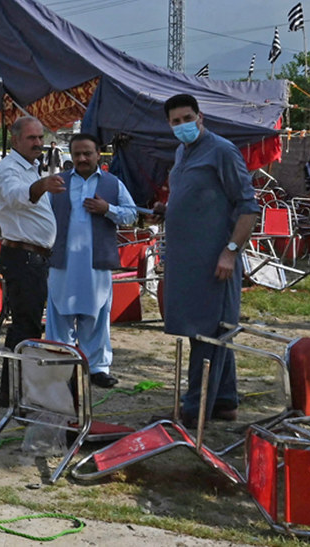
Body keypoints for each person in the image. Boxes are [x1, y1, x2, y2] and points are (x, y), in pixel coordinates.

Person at [160, 93, 259, 422]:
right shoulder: (182, 152)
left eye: (188, 119)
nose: (183, 125)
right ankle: (225, 402)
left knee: (208, 333)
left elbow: (248, 207)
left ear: (200, 117)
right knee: (208, 332)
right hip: (187, 264)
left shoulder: (222, 151)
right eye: (176, 121)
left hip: (215, 263)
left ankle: (194, 410)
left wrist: (230, 252)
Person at [46, 133, 137, 388]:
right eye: (77, 154)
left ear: (99, 154)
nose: (82, 158)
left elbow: (131, 215)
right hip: (63, 260)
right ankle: (60, 366)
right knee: (59, 313)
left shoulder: (112, 184)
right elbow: (42, 214)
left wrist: (108, 209)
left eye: (87, 153)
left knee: (96, 314)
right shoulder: (58, 183)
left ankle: (97, 368)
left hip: (96, 261)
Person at [0, 116, 65, 406]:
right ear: (16, 140)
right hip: (23, 258)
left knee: (28, 325)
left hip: (34, 258)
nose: (38, 143)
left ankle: (16, 391)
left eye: (40, 137)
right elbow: (14, 196)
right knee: (25, 327)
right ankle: (13, 393)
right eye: (32, 138)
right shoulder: (9, 169)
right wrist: (41, 185)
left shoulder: (30, 167)